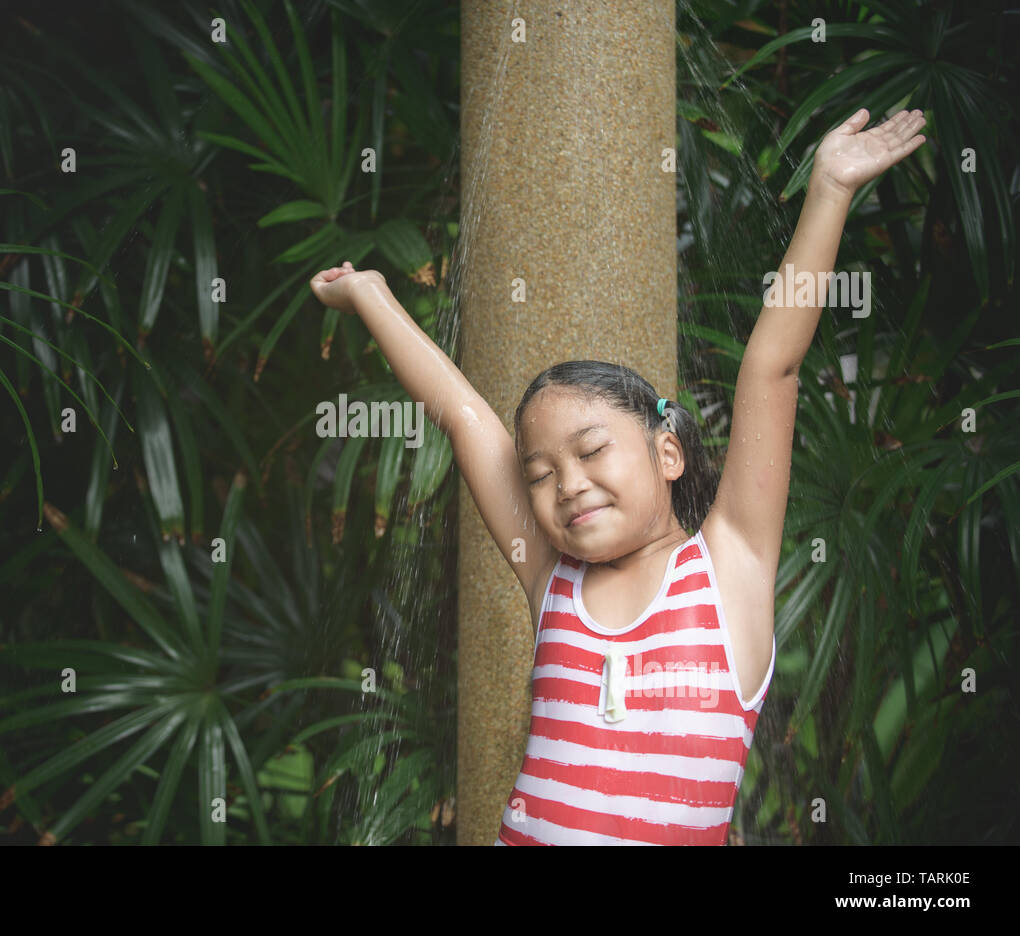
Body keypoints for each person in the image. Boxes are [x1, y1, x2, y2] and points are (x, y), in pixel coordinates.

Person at [309, 108, 927, 845]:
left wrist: (829, 188)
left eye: (592, 450)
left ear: (668, 455)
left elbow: (773, 365)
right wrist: (372, 295)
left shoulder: (730, 565)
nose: (566, 483)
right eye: (538, 473)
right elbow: (462, 416)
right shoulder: (551, 578)